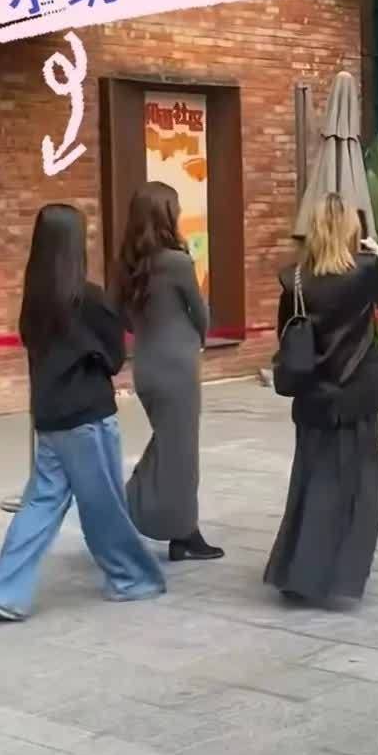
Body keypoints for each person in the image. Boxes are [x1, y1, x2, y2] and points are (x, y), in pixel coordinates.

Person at [0, 204, 165, 621]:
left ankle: (3, 590)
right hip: (87, 418)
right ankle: (132, 577)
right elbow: (114, 358)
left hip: (49, 419)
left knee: (40, 505)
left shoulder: (34, 302)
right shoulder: (89, 299)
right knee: (104, 505)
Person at [264, 192, 378, 607]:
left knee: (310, 481)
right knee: (359, 484)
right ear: (350, 230)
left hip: (313, 393)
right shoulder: (364, 270)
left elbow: (285, 332)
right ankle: (336, 573)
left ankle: (297, 570)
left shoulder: (295, 278)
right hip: (356, 392)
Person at [116, 181, 223, 562]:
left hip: (146, 365)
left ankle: (176, 528)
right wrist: (198, 338)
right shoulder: (177, 261)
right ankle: (162, 522)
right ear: (166, 214)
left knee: (170, 444)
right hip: (177, 365)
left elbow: (120, 316)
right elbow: (200, 312)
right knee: (181, 451)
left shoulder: (127, 264)